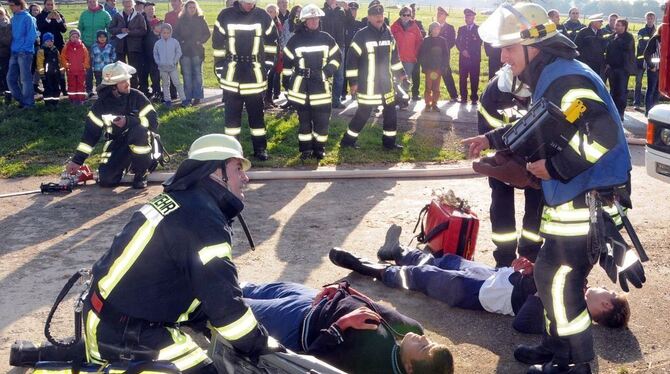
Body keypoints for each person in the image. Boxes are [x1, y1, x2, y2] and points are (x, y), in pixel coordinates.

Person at [465, 3, 642, 373]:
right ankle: (554, 347)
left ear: (534, 47)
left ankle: (576, 362)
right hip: (572, 197)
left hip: (587, 197)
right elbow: (541, 126)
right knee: (548, 276)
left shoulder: (566, 79)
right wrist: (492, 138)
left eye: (510, 47)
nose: (503, 56)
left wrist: (556, 166)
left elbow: (604, 135)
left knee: (560, 280)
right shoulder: (553, 77)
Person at [80, 134, 272, 373]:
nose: (245, 177)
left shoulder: (182, 200)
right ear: (215, 171)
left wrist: (203, 318)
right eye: (237, 168)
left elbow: (174, 279)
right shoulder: (203, 219)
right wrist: (261, 345)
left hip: (107, 318)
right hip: (126, 336)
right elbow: (227, 310)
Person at [327, 228, 630, 335]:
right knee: (447, 261)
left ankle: (367, 267)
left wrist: (541, 289)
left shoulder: (571, 314)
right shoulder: (579, 284)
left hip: (483, 295)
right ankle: (399, 251)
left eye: (610, 291)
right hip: (499, 277)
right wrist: (533, 268)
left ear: (604, 305)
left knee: (425, 278)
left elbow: (523, 324)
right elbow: (544, 273)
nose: (607, 286)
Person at [243, 281, 454, 373]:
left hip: (295, 322)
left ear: (409, 367)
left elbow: (312, 361)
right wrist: (346, 290)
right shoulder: (415, 330)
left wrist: (341, 325)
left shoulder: (377, 367)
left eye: (424, 348)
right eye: (432, 342)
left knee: (227, 301)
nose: (425, 339)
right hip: (317, 298)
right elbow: (376, 306)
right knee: (247, 287)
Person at [476, 73, 544, 267]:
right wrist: (507, 163)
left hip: (535, 156)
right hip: (503, 157)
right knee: (501, 203)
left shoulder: (542, 85)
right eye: (519, 97)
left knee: (536, 206)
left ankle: (530, 255)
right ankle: (504, 258)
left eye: (526, 97)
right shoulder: (492, 94)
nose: (523, 100)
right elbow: (486, 131)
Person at [66, 61, 158, 188]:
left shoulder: (137, 97)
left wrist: (128, 121)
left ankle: (141, 173)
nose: (128, 84)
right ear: (113, 86)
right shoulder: (100, 105)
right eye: (123, 81)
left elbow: (153, 122)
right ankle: (123, 166)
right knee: (106, 181)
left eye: (127, 80)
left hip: (140, 141)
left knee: (139, 131)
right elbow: (90, 135)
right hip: (115, 145)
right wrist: (77, 161)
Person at [212, 0, 278, 161]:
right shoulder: (225, 15)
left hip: (254, 76)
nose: (250, 5)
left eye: (253, 2)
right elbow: (217, 44)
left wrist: (267, 65)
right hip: (232, 76)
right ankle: (232, 150)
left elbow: (273, 42)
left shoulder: (262, 16)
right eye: (247, 2)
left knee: (257, 117)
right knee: (231, 119)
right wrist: (220, 68)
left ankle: (260, 149)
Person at [340, 0, 405, 150]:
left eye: (381, 14)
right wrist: (353, 82)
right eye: (375, 15)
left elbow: (395, 57)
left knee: (390, 113)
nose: (379, 17)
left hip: (386, 84)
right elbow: (351, 61)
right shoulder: (361, 35)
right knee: (363, 114)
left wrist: (401, 73)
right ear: (368, 17)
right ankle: (347, 141)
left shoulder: (388, 32)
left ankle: (389, 144)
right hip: (367, 84)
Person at [282, 4, 341, 160]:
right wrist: (286, 82)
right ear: (304, 21)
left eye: (316, 18)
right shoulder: (295, 40)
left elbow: (336, 59)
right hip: (301, 87)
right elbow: (286, 62)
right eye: (310, 19)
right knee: (304, 122)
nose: (314, 21)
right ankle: (305, 149)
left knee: (322, 122)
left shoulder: (327, 38)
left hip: (321, 86)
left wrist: (327, 71)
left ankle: (319, 148)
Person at [173, 0, 209, 106]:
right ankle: (187, 97)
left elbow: (207, 33)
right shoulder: (181, 20)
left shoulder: (201, 19)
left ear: (196, 8)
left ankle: (197, 96)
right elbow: (175, 34)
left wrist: (200, 41)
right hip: (185, 52)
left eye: (194, 7)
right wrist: (182, 41)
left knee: (198, 74)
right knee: (187, 75)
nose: (192, 9)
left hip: (197, 51)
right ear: (186, 8)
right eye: (190, 7)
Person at [109, 0, 147, 89]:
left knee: (133, 68)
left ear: (133, 3)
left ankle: (133, 88)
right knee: (120, 69)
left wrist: (131, 32)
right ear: (122, 3)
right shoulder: (117, 15)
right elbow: (111, 29)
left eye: (129, 1)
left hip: (134, 47)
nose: (127, 3)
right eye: (125, 1)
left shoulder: (139, 16)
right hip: (120, 46)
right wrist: (120, 30)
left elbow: (143, 30)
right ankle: (121, 88)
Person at [7, 0, 37, 108]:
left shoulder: (28, 18)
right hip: (14, 52)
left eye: (12, 5)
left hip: (25, 53)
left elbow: (32, 35)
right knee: (10, 79)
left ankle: (29, 104)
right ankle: (22, 100)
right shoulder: (14, 18)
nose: (10, 7)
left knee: (25, 79)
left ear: (19, 5)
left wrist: (24, 49)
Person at [78, 0, 112, 97]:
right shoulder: (84, 14)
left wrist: (106, 43)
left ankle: (101, 89)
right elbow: (80, 28)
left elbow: (110, 29)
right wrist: (80, 42)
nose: (92, 3)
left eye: (94, 1)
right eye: (90, 2)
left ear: (97, 2)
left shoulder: (105, 14)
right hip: (87, 45)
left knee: (100, 69)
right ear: (87, 3)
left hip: (101, 46)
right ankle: (89, 90)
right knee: (88, 68)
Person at [321, 0, 350, 109]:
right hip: (325, 46)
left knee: (339, 76)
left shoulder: (341, 12)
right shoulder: (322, 11)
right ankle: (323, 99)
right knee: (323, 74)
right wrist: (330, 9)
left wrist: (347, 10)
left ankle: (335, 100)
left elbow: (350, 23)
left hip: (339, 46)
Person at [390, 6, 422, 102]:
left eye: (408, 15)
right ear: (400, 15)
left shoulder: (415, 27)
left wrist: (414, 53)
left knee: (406, 81)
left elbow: (419, 41)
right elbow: (390, 41)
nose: (406, 17)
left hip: (409, 59)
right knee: (395, 80)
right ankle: (395, 100)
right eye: (404, 15)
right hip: (396, 59)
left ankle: (404, 101)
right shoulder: (394, 27)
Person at [605, 19, 635, 121]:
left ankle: (620, 112)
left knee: (621, 92)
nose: (616, 27)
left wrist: (616, 39)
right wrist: (607, 64)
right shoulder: (613, 36)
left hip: (623, 69)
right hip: (612, 69)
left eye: (618, 25)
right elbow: (608, 51)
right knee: (613, 91)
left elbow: (626, 47)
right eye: (616, 25)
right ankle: (612, 112)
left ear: (624, 27)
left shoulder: (628, 37)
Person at [153, 22, 186, 107]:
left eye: (168, 33)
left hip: (172, 67)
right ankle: (167, 100)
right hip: (162, 67)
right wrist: (159, 62)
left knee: (177, 83)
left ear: (171, 33)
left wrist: (174, 61)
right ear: (161, 33)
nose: (166, 34)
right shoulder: (158, 43)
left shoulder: (175, 42)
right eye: (164, 33)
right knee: (165, 84)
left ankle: (184, 99)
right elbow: (155, 54)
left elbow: (179, 52)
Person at [418, 22, 448, 112]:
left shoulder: (443, 41)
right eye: (434, 29)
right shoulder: (426, 40)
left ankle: (434, 103)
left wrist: (444, 66)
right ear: (431, 30)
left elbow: (446, 54)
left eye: (438, 29)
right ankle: (428, 104)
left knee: (436, 87)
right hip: (429, 68)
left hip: (438, 68)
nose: (436, 31)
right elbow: (422, 54)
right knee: (428, 87)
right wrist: (424, 66)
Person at [456, 8, 482, 105]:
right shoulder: (461, 29)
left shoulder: (478, 29)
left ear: (473, 17)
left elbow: (479, 43)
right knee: (462, 78)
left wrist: (469, 52)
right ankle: (463, 97)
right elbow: (457, 41)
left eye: (469, 16)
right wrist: (462, 51)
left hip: (474, 58)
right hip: (463, 58)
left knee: (474, 78)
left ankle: (474, 98)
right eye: (466, 16)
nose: (467, 18)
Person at [634, 11, 656, 111]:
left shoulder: (657, 31)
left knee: (651, 83)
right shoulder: (641, 31)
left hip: (652, 62)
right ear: (645, 19)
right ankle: (637, 103)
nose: (650, 20)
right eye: (648, 18)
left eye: (651, 18)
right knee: (638, 82)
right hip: (641, 61)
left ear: (654, 19)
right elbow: (641, 44)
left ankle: (650, 104)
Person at [61, 29, 90, 104]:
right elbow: (63, 57)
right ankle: (72, 99)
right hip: (71, 70)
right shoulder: (66, 47)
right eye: (73, 37)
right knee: (71, 85)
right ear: (70, 37)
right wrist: (67, 66)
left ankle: (81, 99)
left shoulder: (82, 47)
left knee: (81, 84)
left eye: (77, 37)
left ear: (79, 38)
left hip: (81, 70)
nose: (75, 38)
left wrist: (84, 66)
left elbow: (86, 57)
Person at [436, 6, 458, 102]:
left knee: (447, 75)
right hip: (434, 56)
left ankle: (454, 96)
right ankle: (432, 97)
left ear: (445, 16)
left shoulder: (450, 28)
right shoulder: (433, 26)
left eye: (441, 14)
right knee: (433, 76)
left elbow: (452, 41)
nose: (438, 15)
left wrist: (443, 48)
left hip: (444, 56)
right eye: (438, 14)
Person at [341, 1, 363, 102]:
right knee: (344, 73)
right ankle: (343, 93)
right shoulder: (344, 23)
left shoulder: (360, 24)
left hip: (357, 53)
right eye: (351, 10)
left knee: (356, 73)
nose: (353, 12)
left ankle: (355, 92)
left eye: (354, 10)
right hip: (346, 51)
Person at [36, 32, 62, 106]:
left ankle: (55, 102)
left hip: (55, 73)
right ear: (44, 42)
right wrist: (42, 73)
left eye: (51, 41)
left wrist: (61, 70)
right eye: (47, 41)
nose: (49, 43)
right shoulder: (41, 51)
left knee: (56, 88)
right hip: (47, 75)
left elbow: (59, 61)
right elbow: (40, 63)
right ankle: (48, 103)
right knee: (48, 88)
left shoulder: (55, 50)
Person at [264, 3, 282, 108]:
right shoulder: (265, 23)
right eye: (269, 11)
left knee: (272, 77)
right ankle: (265, 100)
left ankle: (269, 99)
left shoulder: (278, 22)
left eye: (273, 11)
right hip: (266, 54)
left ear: (276, 13)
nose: (270, 13)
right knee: (267, 76)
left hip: (276, 53)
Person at [643, 24, 662, 116]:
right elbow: (646, 54)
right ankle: (648, 111)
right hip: (654, 69)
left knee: (658, 91)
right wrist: (651, 66)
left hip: (662, 70)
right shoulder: (654, 40)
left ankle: (654, 111)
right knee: (651, 89)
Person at [0, 7, 12, 105]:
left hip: (5, 54)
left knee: (6, 75)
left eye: (0, 13)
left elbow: (8, 41)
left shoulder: (7, 25)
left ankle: (8, 96)